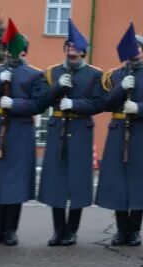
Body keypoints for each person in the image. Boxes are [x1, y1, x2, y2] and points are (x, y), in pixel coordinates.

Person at [0, 37, 48, 246]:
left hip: (20, 129)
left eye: (15, 49)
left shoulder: (34, 74)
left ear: (24, 52)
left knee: (14, 182)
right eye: (8, 48)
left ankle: (10, 230)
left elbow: (39, 104)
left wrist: (15, 103)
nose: (9, 52)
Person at [37, 26, 103, 246]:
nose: (71, 49)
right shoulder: (51, 73)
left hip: (80, 128)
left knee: (77, 180)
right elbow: (41, 101)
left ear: (83, 51)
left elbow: (99, 103)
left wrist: (75, 104)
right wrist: (57, 88)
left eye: (75, 46)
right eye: (68, 45)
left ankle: (72, 230)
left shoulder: (94, 74)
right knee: (56, 181)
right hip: (58, 129)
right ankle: (58, 230)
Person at [96, 35, 143, 247]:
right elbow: (104, 103)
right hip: (117, 131)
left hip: (140, 131)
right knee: (119, 183)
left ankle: (135, 230)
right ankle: (121, 230)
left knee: (138, 183)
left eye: (139, 49)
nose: (135, 53)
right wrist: (120, 88)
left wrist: (140, 109)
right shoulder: (113, 76)